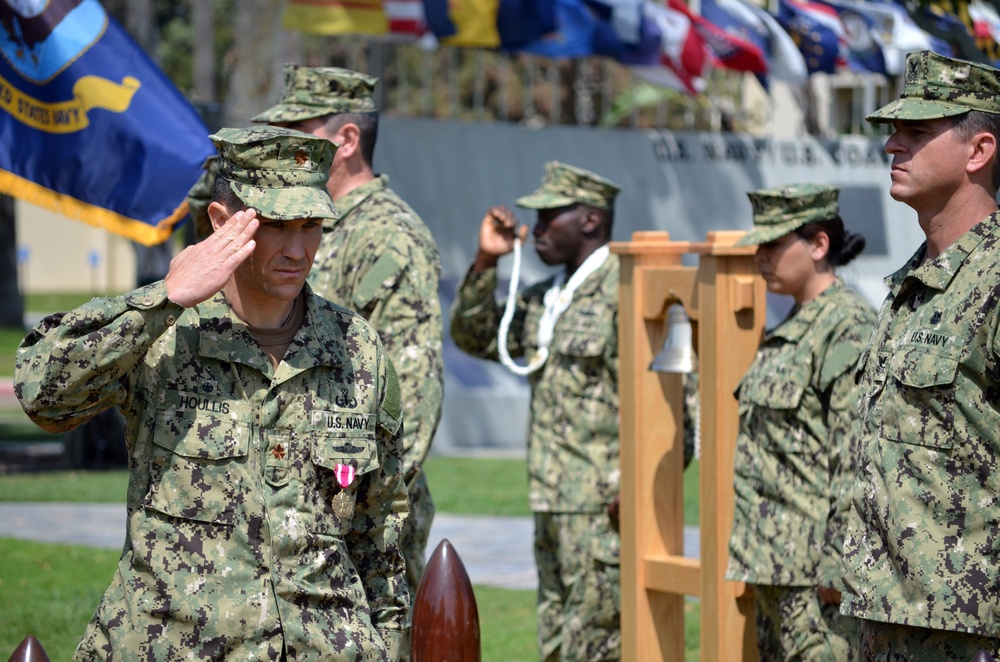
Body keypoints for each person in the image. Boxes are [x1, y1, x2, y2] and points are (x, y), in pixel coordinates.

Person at [14, 126, 409, 661]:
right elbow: (43, 394)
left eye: (311, 225)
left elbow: (380, 537)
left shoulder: (355, 348)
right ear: (222, 223)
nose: (298, 249)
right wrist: (164, 298)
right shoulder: (164, 335)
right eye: (274, 225)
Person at [251, 66, 444, 622]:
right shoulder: (323, 226)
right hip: (291, 505)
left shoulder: (387, 235)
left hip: (356, 520)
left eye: (299, 133)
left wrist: (345, 507)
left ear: (347, 139)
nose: (283, 149)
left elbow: (415, 397)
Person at [840, 50, 1000, 661]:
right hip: (885, 619)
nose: (893, 146)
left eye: (917, 132)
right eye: (892, 132)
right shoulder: (911, 284)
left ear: (978, 151)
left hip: (970, 634)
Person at [449, 160, 622, 660]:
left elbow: (673, 402)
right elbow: (474, 336)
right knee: (554, 639)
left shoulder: (625, 289)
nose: (536, 228)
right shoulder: (550, 296)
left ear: (590, 220)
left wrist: (639, 486)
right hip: (552, 497)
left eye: (550, 216)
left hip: (603, 505)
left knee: (598, 644)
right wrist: (486, 261)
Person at [725, 184, 876, 661]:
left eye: (773, 244)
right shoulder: (792, 327)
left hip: (815, 580)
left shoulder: (846, 326)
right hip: (773, 565)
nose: (759, 256)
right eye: (758, 245)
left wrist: (837, 567)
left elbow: (854, 457)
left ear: (818, 245)